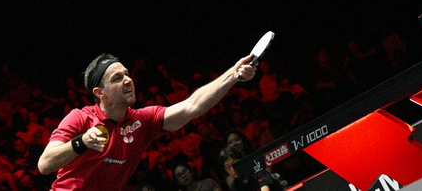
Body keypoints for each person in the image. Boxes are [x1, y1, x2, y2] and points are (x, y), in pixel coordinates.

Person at [36, 50, 257, 191]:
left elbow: (192, 106)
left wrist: (233, 74)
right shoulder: (80, 117)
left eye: (126, 74)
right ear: (100, 92)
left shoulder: (143, 120)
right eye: (117, 78)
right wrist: (81, 142)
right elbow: (45, 164)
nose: (128, 80)